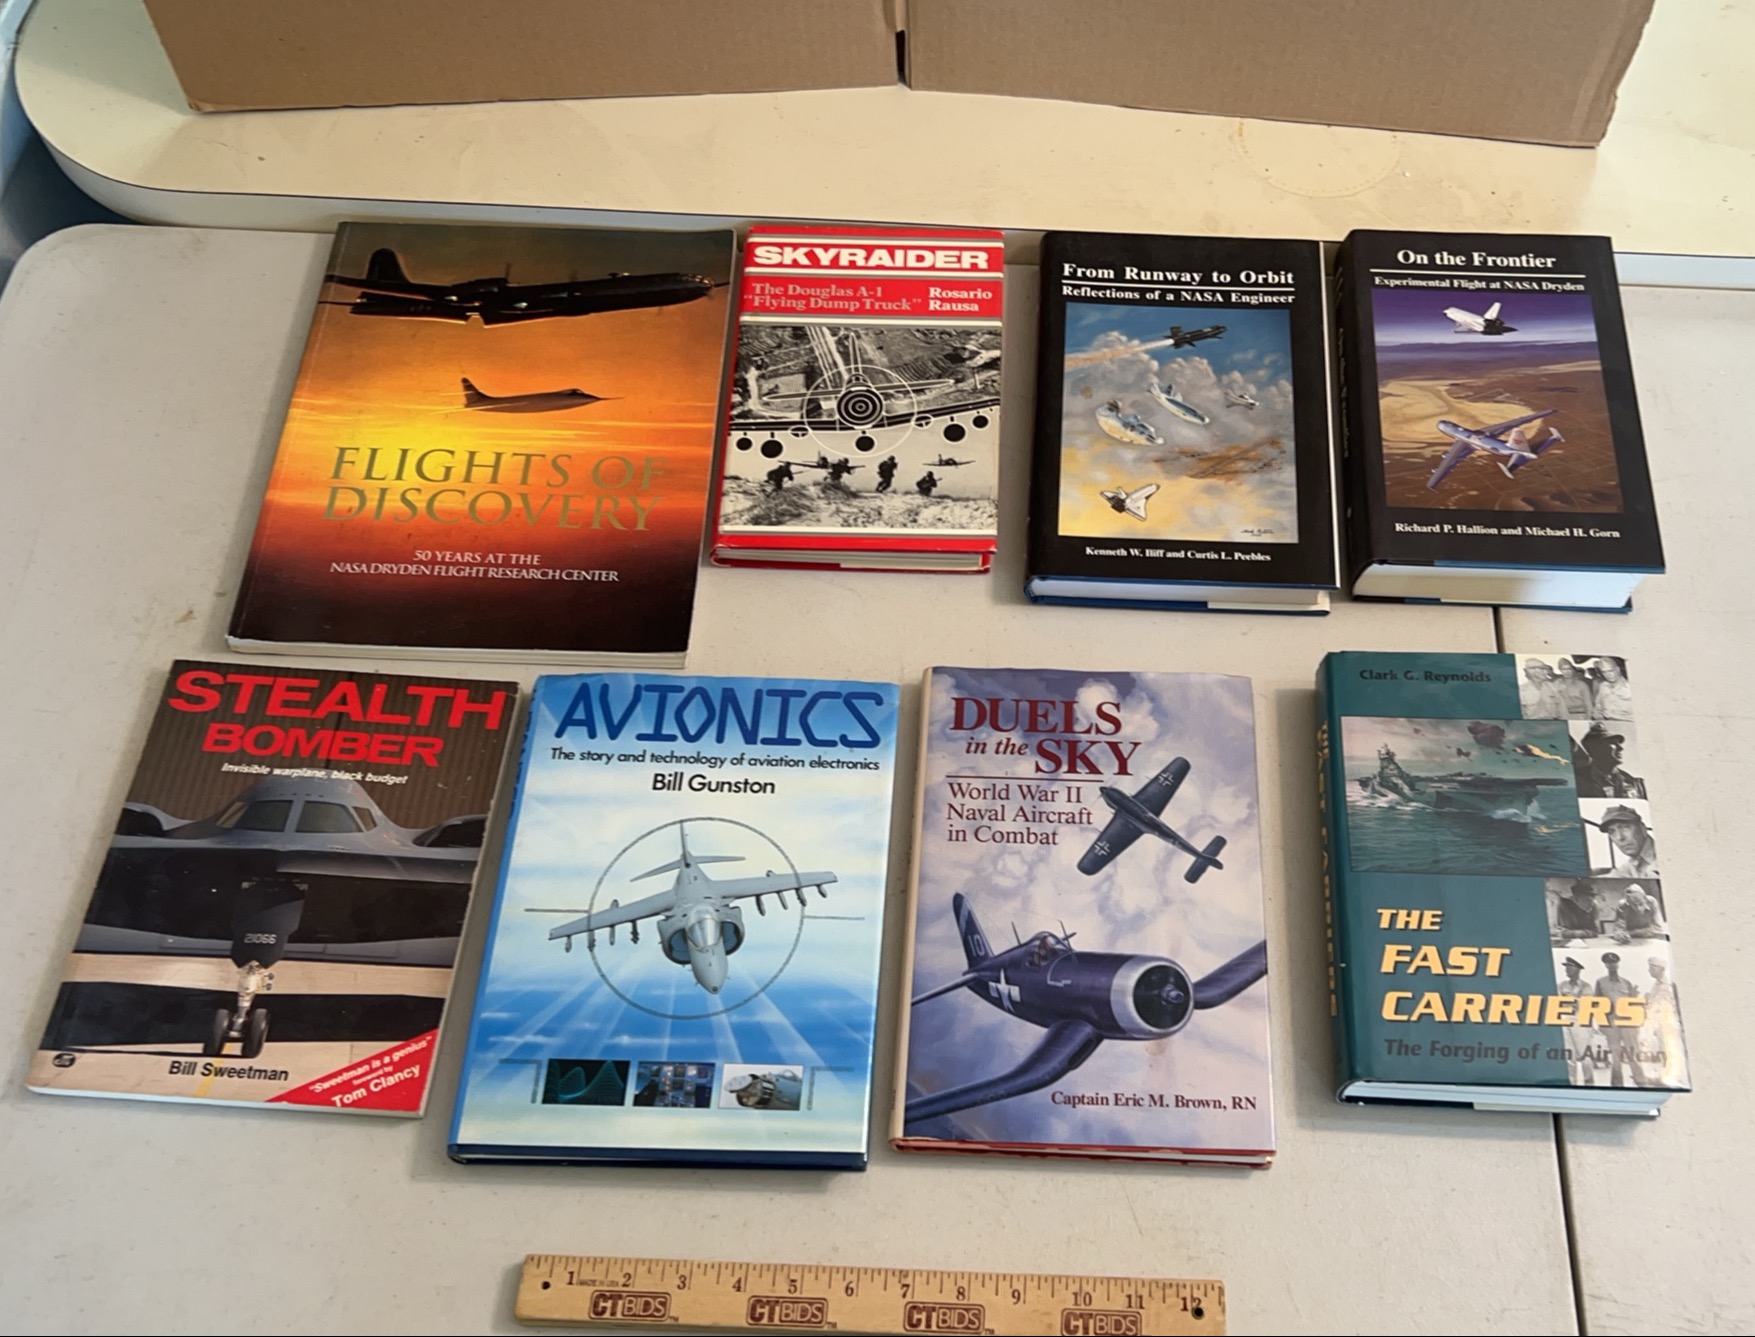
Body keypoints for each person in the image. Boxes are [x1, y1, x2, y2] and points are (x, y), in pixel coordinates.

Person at [1593, 951, 1646, 1087]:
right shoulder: (1600, 982)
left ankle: (1641, 1082)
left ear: (1618, 964)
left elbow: (1633, 1003)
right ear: (1605, 965)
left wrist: (1636, 1023)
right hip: (1611, 1024)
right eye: (1609, 963)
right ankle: (1617, 1085)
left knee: (1633, 1053)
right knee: (1615, 1057)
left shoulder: (1626, 983)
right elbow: (1597, 1004)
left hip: (1627, 1023)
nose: (1612, 965)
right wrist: (1602, 1024)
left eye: (1614, 962)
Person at [1642, 956, 1685, 1086]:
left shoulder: (1668, 986)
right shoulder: (1655, 986)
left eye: (1652, 968)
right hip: (1657, 1023)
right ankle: (1661, 1076)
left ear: (1660, 969)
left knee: (1671, 1051)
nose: (1649, 970)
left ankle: (1674, 1078)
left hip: (1668, 1023)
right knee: (1660, 1050)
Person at [1575, 722, 1646, 799]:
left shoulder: (1634, 783)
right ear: (1596, 749)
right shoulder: (1578, 780)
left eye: (1619, 743)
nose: (1621, 748)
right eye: (1613, 743)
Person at [1557, 956, 1595, 1084]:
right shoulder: (1562, 985)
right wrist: (1572, 1001)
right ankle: (1572, 1084)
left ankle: (1589, 1084)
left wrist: (1569, 1001)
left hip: (1581, 1022)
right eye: (1566, 967)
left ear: (1577, 970)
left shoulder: (1586, 986)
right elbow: (1557, 1001)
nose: (1566, 970)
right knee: (1569, 1056)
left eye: (1569, 967)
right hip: (1565, 1020)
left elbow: (1585, 1004)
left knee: (1585, 1056)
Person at [1595, 805, 1659, 878]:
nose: (1620, 837)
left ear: (1642, 828)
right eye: (1612, 832)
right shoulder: (1630, 865)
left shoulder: (1665, 854)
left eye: (1625, 828)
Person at [1588, 657, 1635, 721]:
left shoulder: (1630, 687)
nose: (1608, 674)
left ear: (1618, 669)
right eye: (1604, 672)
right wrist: (1599, 718)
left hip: (1627, 722)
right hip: (1608, 722)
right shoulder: (1603, 686)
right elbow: (1598, 707)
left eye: (1611, 671)